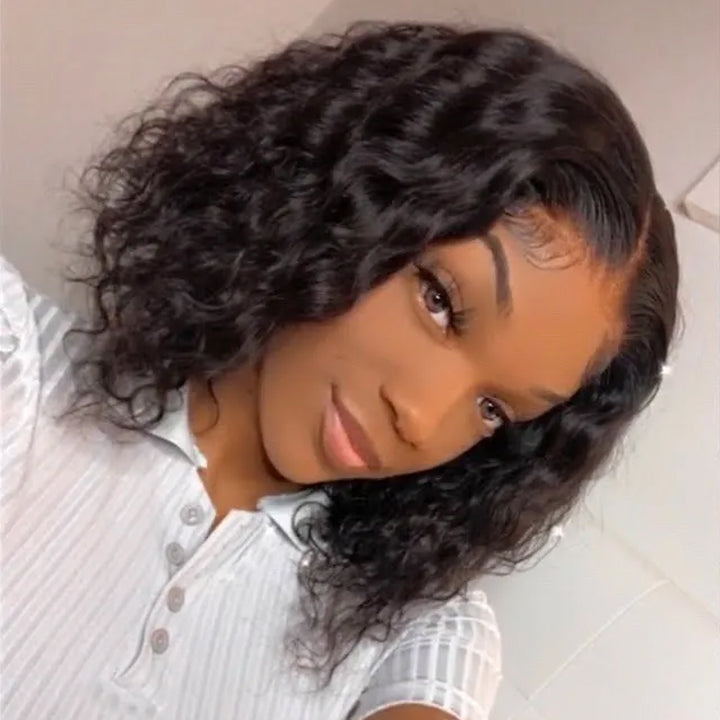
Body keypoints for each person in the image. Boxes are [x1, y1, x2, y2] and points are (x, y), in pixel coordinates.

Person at [0, 22, 678, 720]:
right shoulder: (20, 367)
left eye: (492, 410)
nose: (420, 419)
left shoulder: (407, 629)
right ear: (339, 197)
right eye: (440, 301)